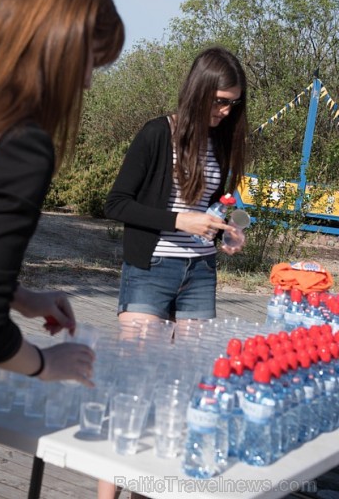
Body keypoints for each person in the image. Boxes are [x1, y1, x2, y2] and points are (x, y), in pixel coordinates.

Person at [0, 0, 124, 499]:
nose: (88, 82)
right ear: (58, 47)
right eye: (90, 62)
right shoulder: (20, 143)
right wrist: (46, 364)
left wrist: (20, 296)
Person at [98, 45, 247, 499]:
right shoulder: (155, 134)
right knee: (134, 391)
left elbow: (217, 208)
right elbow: (117, 203)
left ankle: (148, 492)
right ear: (198, 90)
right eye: (219, 100)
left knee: (182, 395)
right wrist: (182, 221)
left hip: (199, 274)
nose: (225, 110)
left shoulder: (221, 142)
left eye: (232, 104)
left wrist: (228, 232)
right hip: (151, 271)